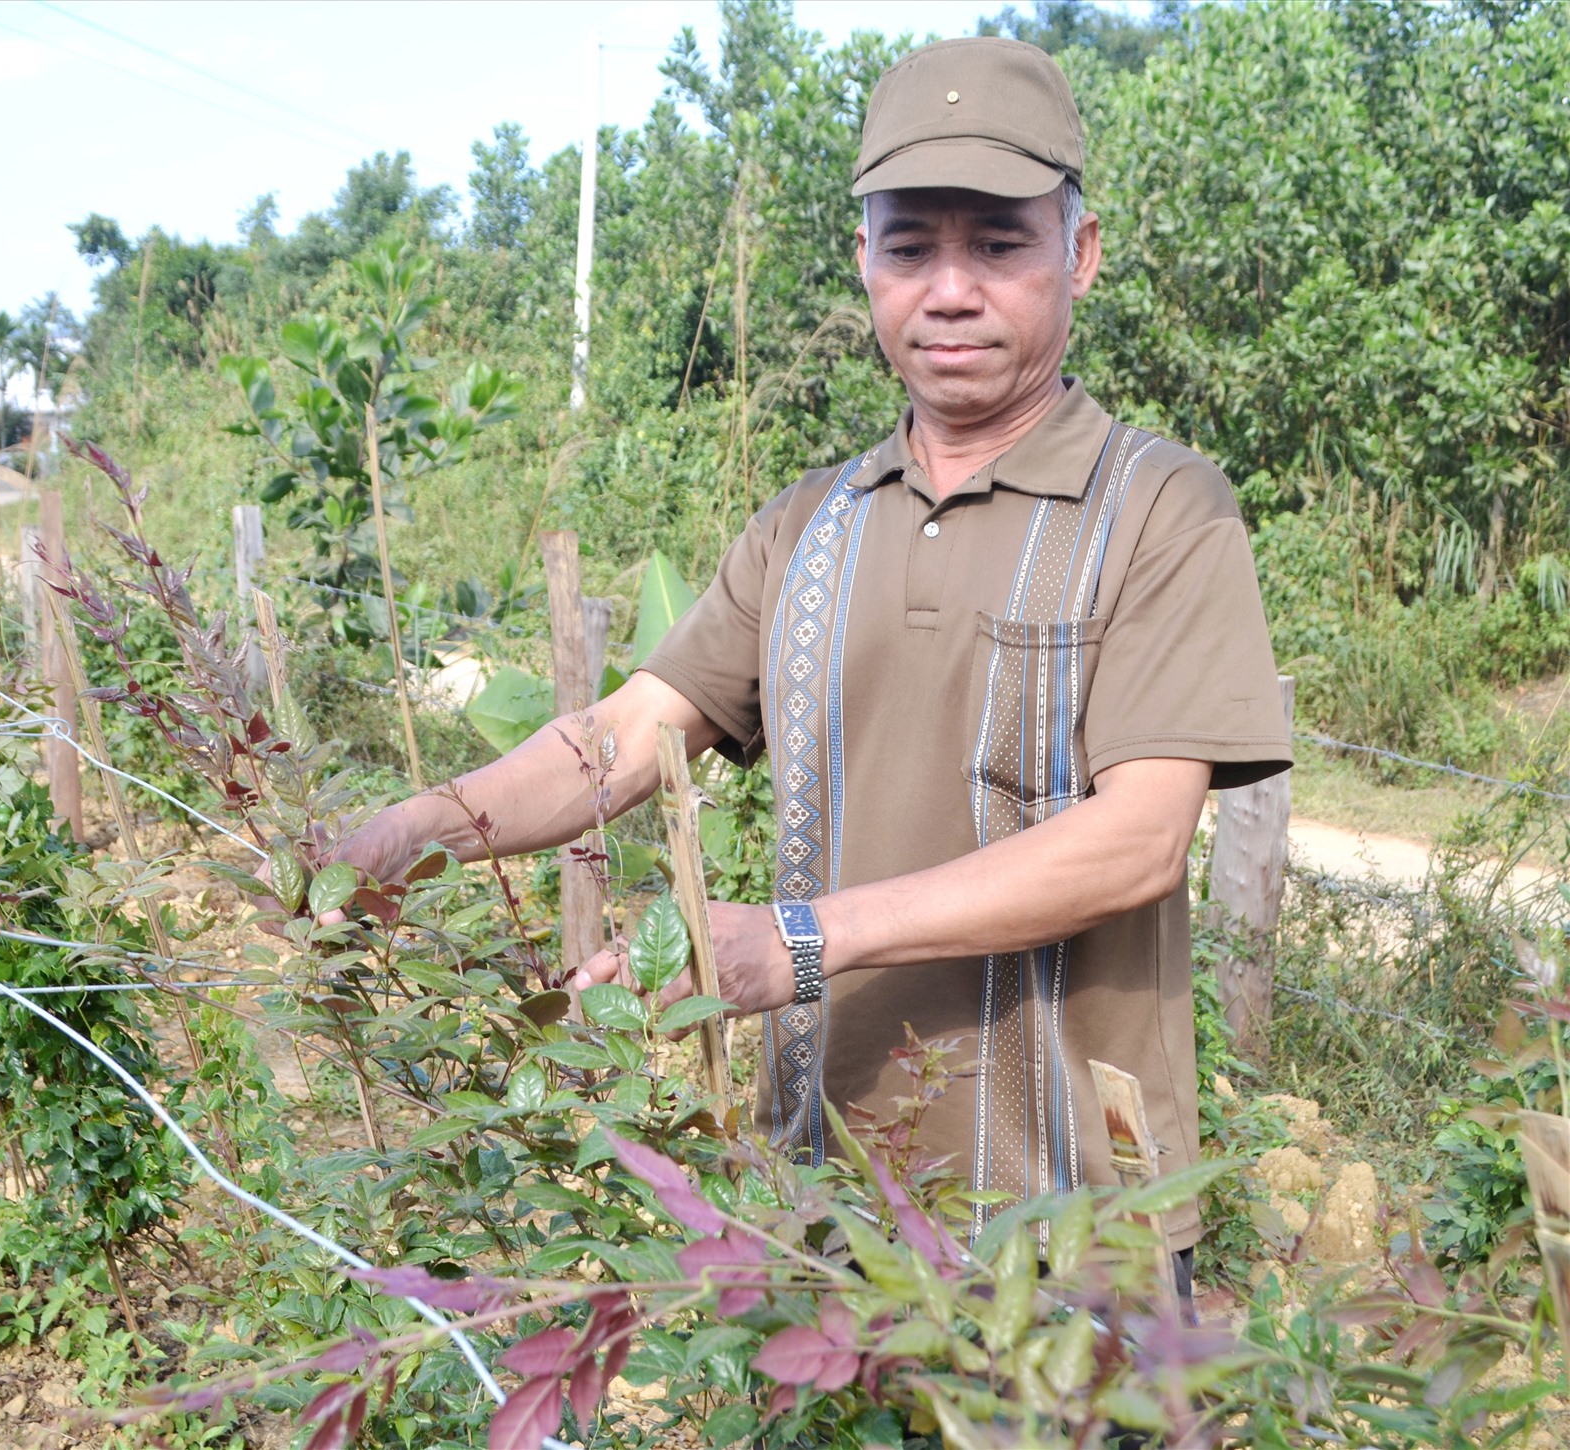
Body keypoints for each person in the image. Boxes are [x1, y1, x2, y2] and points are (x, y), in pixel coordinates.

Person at [327, 37, 1290, 1290]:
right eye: (908, 247)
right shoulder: (807, 525)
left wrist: (793, 939)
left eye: (998, 244)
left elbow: (1138, 840)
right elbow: (626, 735)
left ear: (1080, 252)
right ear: (862, 265)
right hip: (821, 1194)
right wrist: (410, 829)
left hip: (1066, 1225)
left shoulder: (1159, 510)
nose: (949, 290)